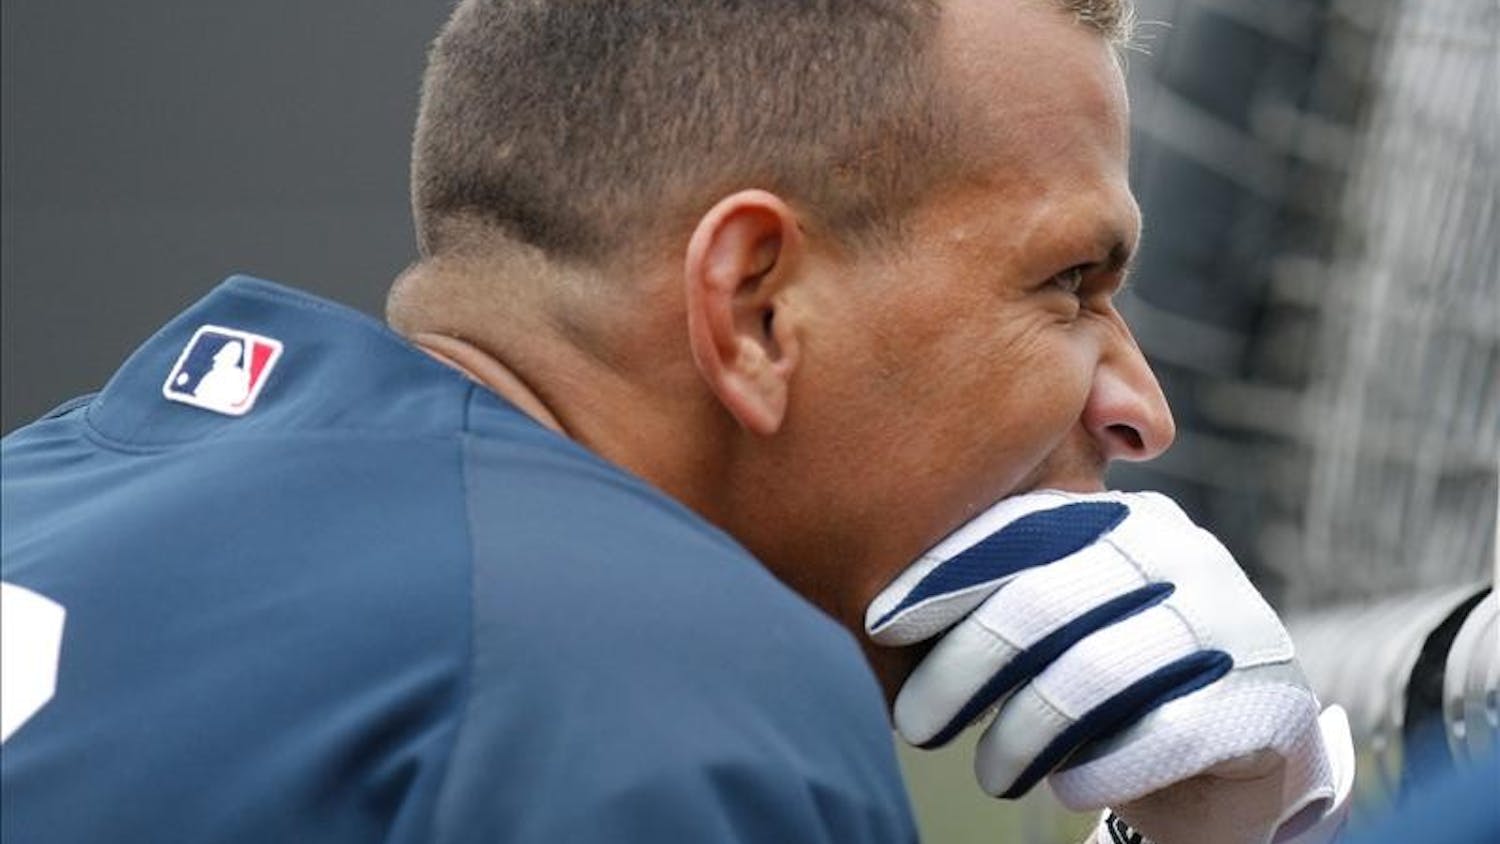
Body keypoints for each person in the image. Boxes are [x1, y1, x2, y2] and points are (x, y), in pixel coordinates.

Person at [1, 1, 1345, 842]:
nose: (1140, 409)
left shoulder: (51, 480)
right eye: (1067, 286)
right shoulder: (657, 692)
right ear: (755, 307)